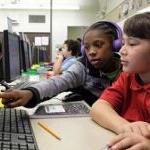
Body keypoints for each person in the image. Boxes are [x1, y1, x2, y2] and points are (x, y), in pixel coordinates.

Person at [0, 21, 122, 108]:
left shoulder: (127, 71)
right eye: (87, 47)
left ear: (115, 45)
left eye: (98, 45)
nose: (91, 52)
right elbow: (57, 82)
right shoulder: (83, 67)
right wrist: (31, 93)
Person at [90, 12, 150, 143]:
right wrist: (125, 128)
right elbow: (98, 107)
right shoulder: (127, 77)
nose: (122, 50)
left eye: (132, 44)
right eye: (123, 43)